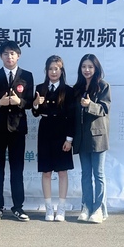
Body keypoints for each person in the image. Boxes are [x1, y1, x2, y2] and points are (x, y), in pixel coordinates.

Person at [0, 40, 34, 222]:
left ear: (18, 55)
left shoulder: (27, 76)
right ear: (0, 56)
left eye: (12, 53)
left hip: (17, 129)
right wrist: (0, 103)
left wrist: (19, 102)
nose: (9, 57)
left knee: (17, 170)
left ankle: (18, 207)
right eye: (5, 53)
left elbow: (30, 102)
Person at [32, 55, 74, 222]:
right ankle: (49, 208)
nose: (53, 72)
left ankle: (61, 208)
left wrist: (69, 139)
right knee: (46, 172)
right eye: (50, 69)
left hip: (62, 132)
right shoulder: (40, 88)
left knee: (62, 171)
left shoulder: (68, 91)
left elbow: (72, 117)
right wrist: (36, 103)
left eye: (56, 69)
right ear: (46, 70)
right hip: (45, 130)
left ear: (61, 71)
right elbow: (35, 113)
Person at [72, 53, 111, 224]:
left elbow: (104, 109)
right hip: (82, 137)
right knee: (85, 174)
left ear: (96, 68)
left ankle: (99, 209)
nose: (86, 70)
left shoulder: (103, 86)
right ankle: (86, 207)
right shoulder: (77, 88)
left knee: (98, 174)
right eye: (84, 66)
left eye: (90, 67)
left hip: (98, 137)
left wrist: (90, 105)